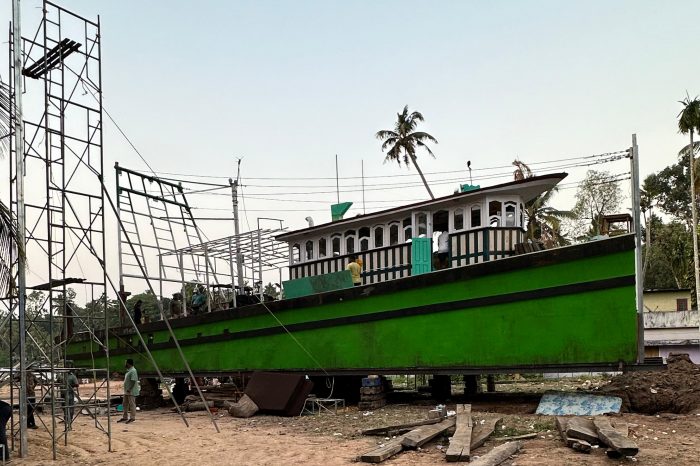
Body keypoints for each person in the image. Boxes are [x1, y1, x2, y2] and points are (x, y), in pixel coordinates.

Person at [118, 359, 140, 424]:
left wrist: (130, 389)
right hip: (127, 391)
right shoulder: (129, 371)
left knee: (132, 404)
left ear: (128, 363)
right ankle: (125, 417)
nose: (125, 364)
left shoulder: (133, 371)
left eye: (125, 363)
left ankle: (132, 418)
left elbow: (133, 381)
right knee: (125, 404)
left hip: (131, 391)